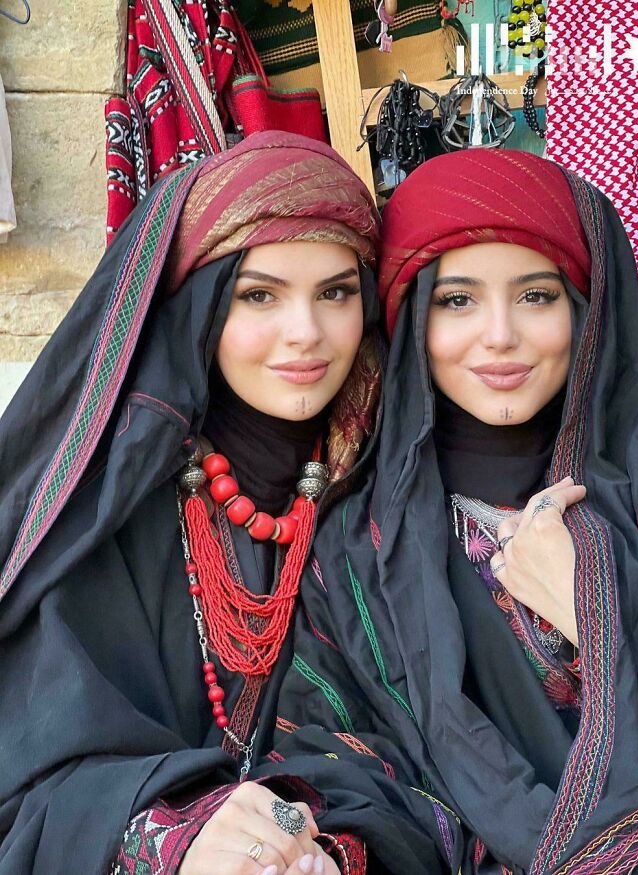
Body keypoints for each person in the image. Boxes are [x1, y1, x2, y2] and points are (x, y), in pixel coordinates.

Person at [259, 149, 638, 873]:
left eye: (536, 295)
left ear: (587, 308)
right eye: (457, 299)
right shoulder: (359, 548)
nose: (500, 335)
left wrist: (588, 601)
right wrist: (305, 839)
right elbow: (332, 758)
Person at [0, 131, 384, 875]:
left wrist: (308, 838)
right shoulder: (111, 510)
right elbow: (34, 776)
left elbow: (426, 748)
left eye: (336, 292)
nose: (306, 333)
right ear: (202, 306)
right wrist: (179, 833)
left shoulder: (377, 487)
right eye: (260, 294)